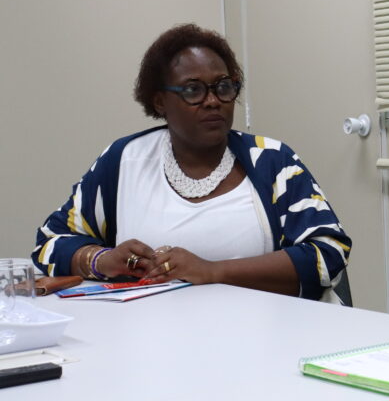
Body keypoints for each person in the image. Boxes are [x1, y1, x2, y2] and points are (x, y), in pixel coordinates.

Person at [34, 24, 351, 300]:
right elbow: (51, 242)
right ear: (160, 101)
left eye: (223, 87)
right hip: (149, 343)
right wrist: (102, 260)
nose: (212, 100)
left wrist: (213, 271)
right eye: (193, 90)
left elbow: (328, 253)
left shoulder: (271, 161)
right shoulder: (124, 161)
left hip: (261, 337)